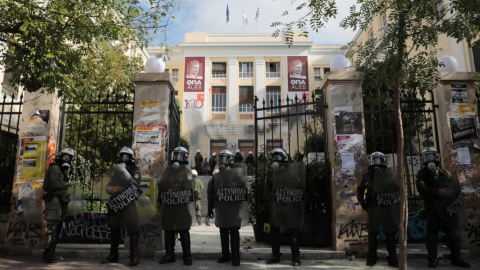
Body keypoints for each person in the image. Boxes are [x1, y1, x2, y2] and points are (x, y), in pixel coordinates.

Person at [415, 147, 470, 268]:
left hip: (446, 207)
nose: (430, 159)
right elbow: (421, 189)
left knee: (452, 233)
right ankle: (432, 259)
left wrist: (452, 194)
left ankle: (456, 257)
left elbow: (453, 186)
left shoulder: (444, 172)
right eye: (427, 156)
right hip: (432, 207)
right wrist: (439, 191)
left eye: (431, 156)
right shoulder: (422, 174)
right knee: (433, 233)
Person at [102, 146, 142, 266]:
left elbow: (136, 186)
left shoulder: (135, 171)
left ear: (131, 158)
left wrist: (116, 189)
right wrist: (109, 188)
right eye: (122, 156)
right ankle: (113, 255)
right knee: (114, 230)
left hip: (129, 205)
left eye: (127, 156)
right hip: (116, 204)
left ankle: (135, 256)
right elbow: (111, 183)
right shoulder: (116, 171)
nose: (124, 158)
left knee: (132, 230)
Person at [356, 152, 398, 267]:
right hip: (373, 209)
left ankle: (393, 259)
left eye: (378, 160)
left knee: (390, 233)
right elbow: (359, 190)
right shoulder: (367, 176)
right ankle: (371, 258)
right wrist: (363, 202)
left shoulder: (390, 174)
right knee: (372, 232)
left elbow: (397, 189)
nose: (376, 162)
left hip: (387, 208)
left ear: (383, 161)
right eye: (374, 160)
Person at [207, 150, 247, 266]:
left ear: (230, 161)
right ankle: (225, 255)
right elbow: (211, 194)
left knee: (234, 231)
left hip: (233, 209)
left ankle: (235, 257)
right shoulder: (216, 177)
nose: (222, 162)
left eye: (225, 159)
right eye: (221, 159)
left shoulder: (237, 177)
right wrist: (210, 208)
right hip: (221, 209)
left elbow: (242, 193)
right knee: (223, 231)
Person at [264, 148, 302, 266]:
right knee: (274, 232)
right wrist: (277, 194)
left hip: (289, 208)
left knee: (292, 232)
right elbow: (266, 191)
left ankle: (296, 258)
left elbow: (298, 189)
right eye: (274, 157)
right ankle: (275, 256)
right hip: (275, 208)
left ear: (284, 158)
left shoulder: (292, 174)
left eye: (278, 157)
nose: (276, 159)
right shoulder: (270, 175)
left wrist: (288, 191)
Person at [157, 146, 194, 265]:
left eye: (180, 155)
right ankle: (169, 255)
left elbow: (188, 188)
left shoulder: (187, 172)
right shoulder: (168, 170)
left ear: (185, 158)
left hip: (181, 207)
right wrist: (160, 199)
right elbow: (161, 185)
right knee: (168, 230)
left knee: (183, 230)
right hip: (168, 206)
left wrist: (174, 191)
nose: (177, 158)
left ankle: (187, 257)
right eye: (176, 155)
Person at [42, 147, 74, 263]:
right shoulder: (55, 168)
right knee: (54, 226)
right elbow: (56, 184)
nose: (66, 159)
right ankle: (49, 253)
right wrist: (68, 183)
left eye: (69, 157)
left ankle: (50, 252)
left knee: (56, 226)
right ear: (60, 156)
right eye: (64, 156)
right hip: (54, 200)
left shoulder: (60, 169)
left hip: (58, 201)